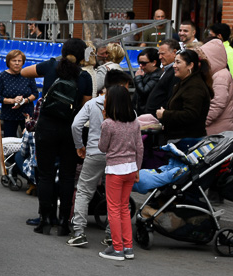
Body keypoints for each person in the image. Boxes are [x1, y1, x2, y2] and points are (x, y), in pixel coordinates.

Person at [22, 38, 94, 235]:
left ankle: (45, 221)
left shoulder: (51, 66)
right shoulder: (85, 77)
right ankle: (64, 222)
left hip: (46, 127)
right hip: (70, 130)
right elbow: (85, 106)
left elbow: (23, 72)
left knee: (45, 175)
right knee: (67, 176)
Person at [67, 69, 134, 248]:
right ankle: (112, 235)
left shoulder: (93, 103)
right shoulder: (127, 108)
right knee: (115, 197)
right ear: (120, 86)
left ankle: (79, 232)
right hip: (119, 157)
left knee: (84, 190)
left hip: (95, 152)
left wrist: (79, 146)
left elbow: (76, 125)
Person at [97, 84, 143, 260]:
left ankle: (117, 248)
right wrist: (138, 168)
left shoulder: (108, 124)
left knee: (113, 210)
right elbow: (140, 147)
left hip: (115, 170)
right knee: (124, 208)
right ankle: (128, 247)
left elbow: (102, 147)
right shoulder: (134, 122)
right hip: (131, 168)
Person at [156, 49, 212, 141]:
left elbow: (190, 115)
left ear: (190, 65)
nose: (174, 66)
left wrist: (165, 114)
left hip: (188, 141)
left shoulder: (194, 86)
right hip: (180, 138)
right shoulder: (185, 83)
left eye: (178, 62)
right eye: (174, 62)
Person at [0, 49, 37, 138]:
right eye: (14, 61)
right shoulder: (2, 76)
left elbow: (35, 93)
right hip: (9, 114)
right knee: (9, 141)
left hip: (27, 113)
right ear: (9, 62)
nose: (17, 63)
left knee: (30, 139)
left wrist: (24, 101)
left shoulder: (28, 74)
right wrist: (13, 101)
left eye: (19, 61)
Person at [201, 38, 233, 134]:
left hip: (217, 131)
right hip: (218, 129)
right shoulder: (216, 74)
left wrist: (202, 123)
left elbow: (217, 105)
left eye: (205, 57)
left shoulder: (220, 76)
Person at [144, 38, 180, 116]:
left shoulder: (175, 72)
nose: (160, 57)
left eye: (163, 54)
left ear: (174, 52)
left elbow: (171, 97)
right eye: (159, 54)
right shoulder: (168, 70)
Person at [133, 47, 161, 114]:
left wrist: (138, 78)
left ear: (154, 62)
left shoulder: (157, 76)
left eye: (143, 63)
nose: (140, 66)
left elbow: (144, 92)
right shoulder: (147, 74)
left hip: (148, 113)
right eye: (139, 63)